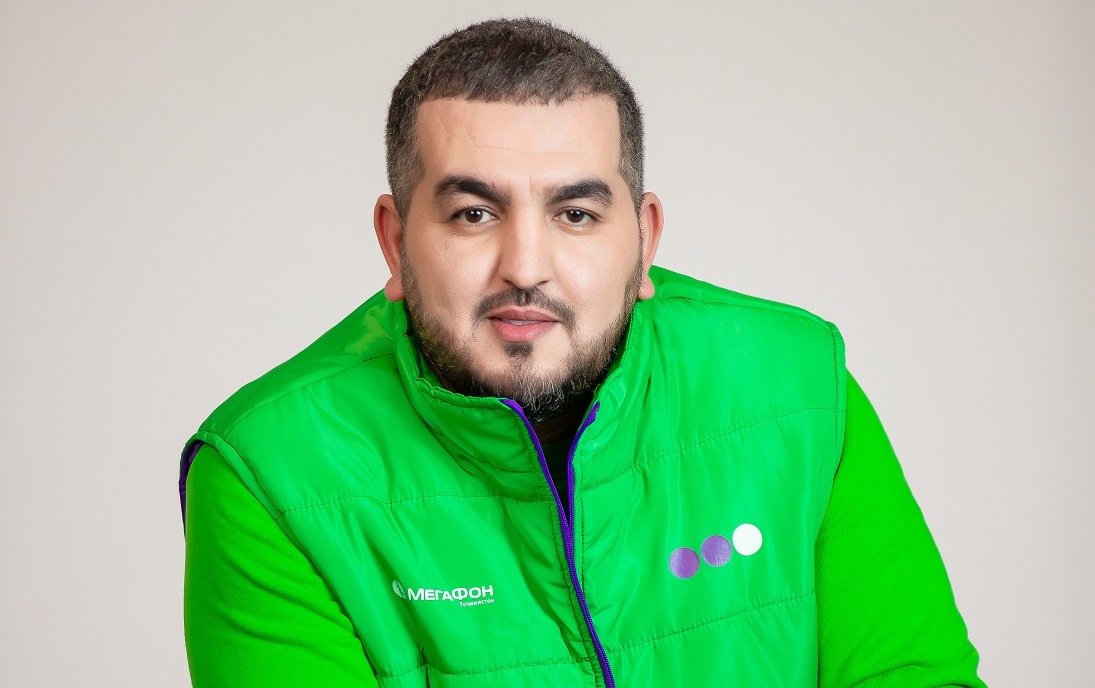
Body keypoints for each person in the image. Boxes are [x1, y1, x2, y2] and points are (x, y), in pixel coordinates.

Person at [180, 18, 985, 687]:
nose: (525, 267)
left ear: (644, 239)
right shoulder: (270, 473)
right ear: (394, 243)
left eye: (575, 214)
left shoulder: (797, 388)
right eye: (472, 213)